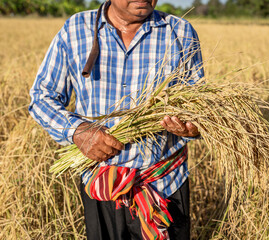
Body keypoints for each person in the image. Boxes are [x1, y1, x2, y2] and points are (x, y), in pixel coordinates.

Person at [28, 0, 204, 239]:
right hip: (102, 185)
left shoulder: (180, 32)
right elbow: (41, 97)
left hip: (164, 187)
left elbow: (199, 110)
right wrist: (77, 130)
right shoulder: (76, 29)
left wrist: (192, 128)